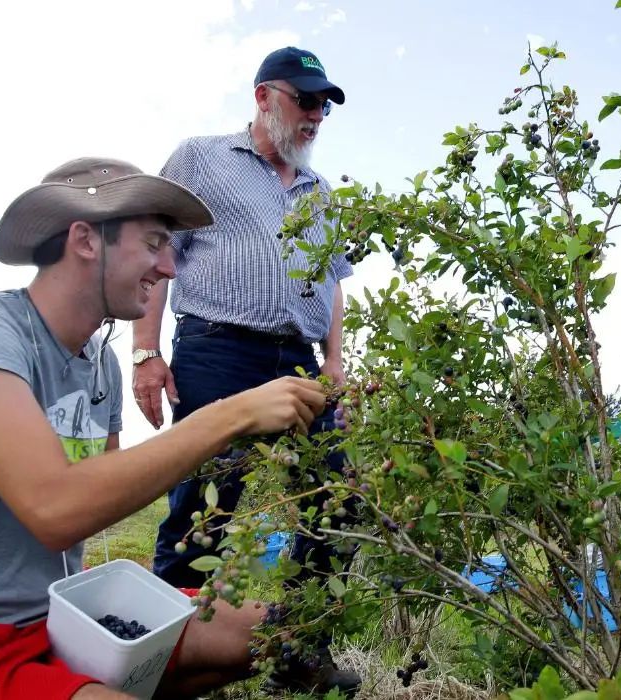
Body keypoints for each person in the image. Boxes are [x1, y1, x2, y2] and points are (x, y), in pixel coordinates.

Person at [0, 157, 330, 700]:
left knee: (274, 626)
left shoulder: (100, 364)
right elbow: (56, 512)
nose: (169, 267)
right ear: (84, 241)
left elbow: (100, 500)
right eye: (152, 243)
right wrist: (230, 414)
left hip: (56, 625)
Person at [129, 46, 361, 696]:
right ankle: (165, 661)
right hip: (216, 350)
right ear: (264, 97)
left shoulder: (321, 192)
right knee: (208, 504)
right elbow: (155, 251)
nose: (316, 114)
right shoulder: (200, 158)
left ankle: (300, 647)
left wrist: (337, 358)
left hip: (299, 359)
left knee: (336, 496)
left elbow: (334, 283)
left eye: (324, 105)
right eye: (305, 99)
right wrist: (146, 354)